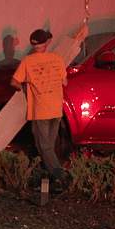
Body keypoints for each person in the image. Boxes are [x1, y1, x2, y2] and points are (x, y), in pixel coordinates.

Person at [11, 29, 68, 182]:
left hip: (40, 109)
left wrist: (24, 88)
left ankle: (60, 175)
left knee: (45, 146)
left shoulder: (27, 61)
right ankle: (47, 174)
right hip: (56, 109)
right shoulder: (57, 58)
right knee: (46, 144)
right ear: (46, 43)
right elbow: (65, 82)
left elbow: (14, 82)